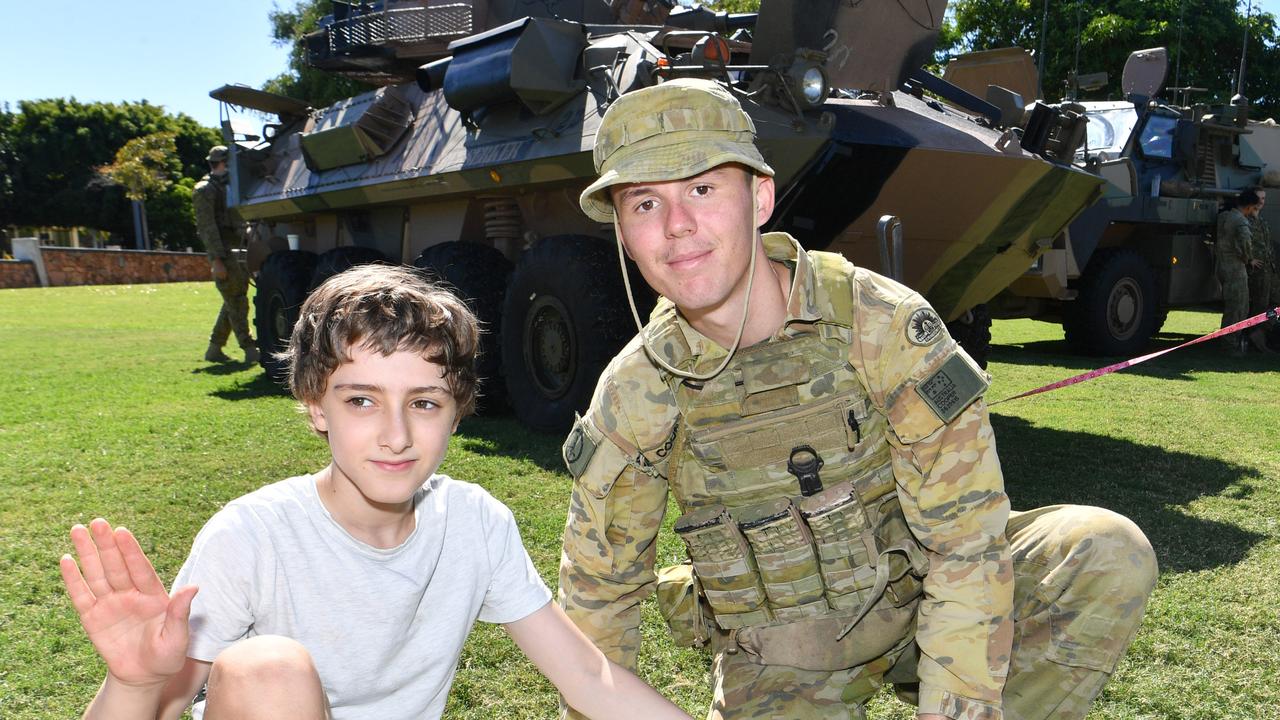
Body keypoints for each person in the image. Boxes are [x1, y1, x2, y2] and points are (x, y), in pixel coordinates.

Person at [558, 78, 1158, 720]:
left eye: (702, 189)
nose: (678, 227)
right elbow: (600, 598)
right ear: (621, 228)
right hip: (786, 655)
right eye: (644, 203)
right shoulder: (636, 392)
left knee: (1103, 550)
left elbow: (964, 543)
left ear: (759, 198)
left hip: (920, 593)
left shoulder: (881, 325)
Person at [59, 265, 693, 720]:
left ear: (458, 411)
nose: (396, 435)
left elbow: (587, 676)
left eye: (423, 402)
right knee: (267, 669)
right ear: (315, 406)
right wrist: (135, 683)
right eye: (361, 400)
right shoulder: (251, 535)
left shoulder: (473, 522)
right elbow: (165, 709)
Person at [193, 145, 257, 364]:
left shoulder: (228, 186)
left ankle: (214, 348)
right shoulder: (205, 190)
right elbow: (207, 228)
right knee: (236, 300)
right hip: (224, 252)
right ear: (223, 163)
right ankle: (249, 348)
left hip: (237, 247)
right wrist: (217, 260)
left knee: (233, 299)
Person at [1216, 189, 1262, 355]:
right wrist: (1249, 259)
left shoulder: (1224, 216)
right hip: (1235, 269)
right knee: (1239, 308)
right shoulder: (1240, 221)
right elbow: (1245, 244)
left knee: (1231, 306)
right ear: (1249, 207)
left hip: (1221, 266)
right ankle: (1230, 346)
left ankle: (1227, 342)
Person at [1244, 187, 1278, 352]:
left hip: (1269, 270)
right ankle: (1255, 338)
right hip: (1257, 272)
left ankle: (1260, 332)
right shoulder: (1245, 220)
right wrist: (1249, 259)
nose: (1261, 202)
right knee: (1259, 305)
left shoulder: (1262, 221)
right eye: (1259, 198)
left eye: (1264, 199)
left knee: (1275, 303)